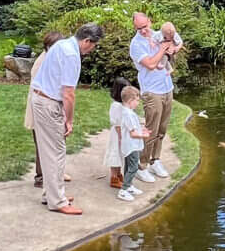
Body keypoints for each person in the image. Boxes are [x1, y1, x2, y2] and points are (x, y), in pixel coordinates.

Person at [31, 21, 100, 215]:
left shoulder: (61, 44)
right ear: (87, 41)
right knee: (56, 152)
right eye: (93, 46)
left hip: (41, 99)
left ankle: (51, 194)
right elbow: (69, 93)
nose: (92, 50)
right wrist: (68, 120)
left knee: (50, 151)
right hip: (49, 103)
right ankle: (57, 201)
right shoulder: (71, 55)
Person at [128, 11, 180, 182]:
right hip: (151, 91)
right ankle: (140, 166)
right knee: (150, 130)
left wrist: (173, 48)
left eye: (145, 26)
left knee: (162, 129)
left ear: (150, 22)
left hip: (167, 87)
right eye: (139, 28)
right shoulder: (136, 44)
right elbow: (150, 64)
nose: (143, 30)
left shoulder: (160, 33)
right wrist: (164, 49)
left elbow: (178, 42)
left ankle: (155, 160)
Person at [24, 29, 66, 190]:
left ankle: (53, 174)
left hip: (46, 108)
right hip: (41, 110)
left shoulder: (49, 59)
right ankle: (41, 177)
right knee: (43, 145)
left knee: (51, 144)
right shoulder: (43, 62)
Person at [105, 81, 149, 201]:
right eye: (137, 100)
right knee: (133, 167)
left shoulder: (127, 112)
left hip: (130, 144)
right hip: (131, 145)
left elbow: (132, 127)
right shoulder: (128, 114)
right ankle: (123, 190)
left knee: (127, 165)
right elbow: (132, 133)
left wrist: (140, 129)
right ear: (130, 101)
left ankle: (128, 185)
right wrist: (143, 135)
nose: (138, 103)